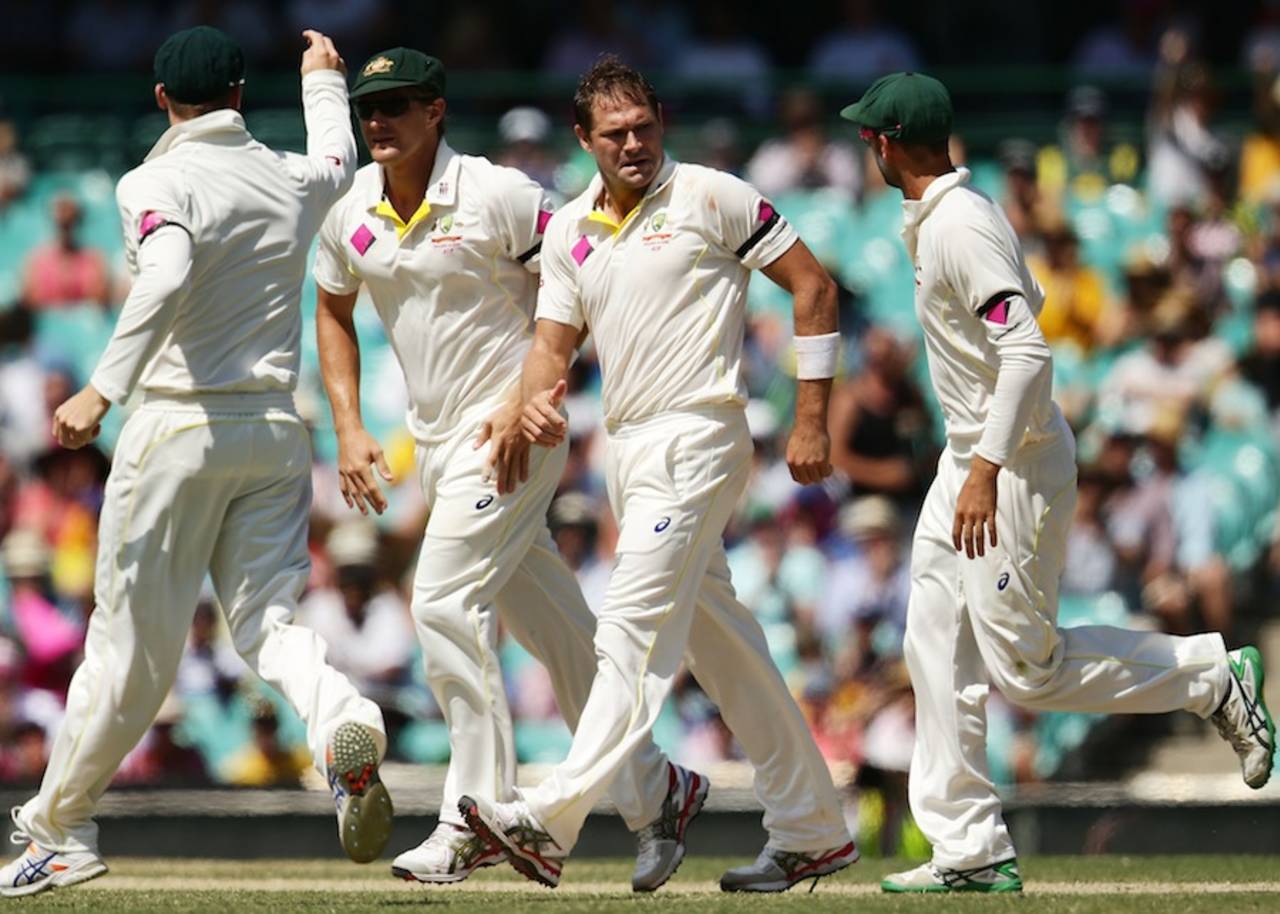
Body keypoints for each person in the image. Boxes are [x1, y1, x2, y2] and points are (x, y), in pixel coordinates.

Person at [840, 71, 1273, 894]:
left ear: (887, 144)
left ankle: (1212, 676)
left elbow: (1029, 351)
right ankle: (967, 847)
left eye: (869, 136)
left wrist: (986, 470)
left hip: (1007, 465)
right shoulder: (950, 215)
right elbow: (1024, 303)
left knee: (1026, 670)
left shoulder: (959, 226)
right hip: (968, 458)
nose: (865, 147)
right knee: (932, 638)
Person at [0, 27, 392, 898]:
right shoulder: (290, 178)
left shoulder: (155, 179)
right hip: (274, 429)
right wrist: (324, 80)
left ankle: (57, 830)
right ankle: (342, 727)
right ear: (242, 96)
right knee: (269, 626)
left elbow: (167, 269)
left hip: (178, 427)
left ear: (160, 100)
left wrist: (103, 388)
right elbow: (337, 158)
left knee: (127, 649)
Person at [464, 55, 857, 894]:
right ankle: (813, 827)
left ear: (661, 120)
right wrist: (530, 403)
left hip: (702, 431)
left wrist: (814, 416)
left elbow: (814, 287)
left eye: (644, 126)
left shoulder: (712, 195)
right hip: (629, 449)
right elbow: (552, 347)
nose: (634, 144)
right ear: (584, 140)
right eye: (615, 134)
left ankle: (551, 818)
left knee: (631, 629)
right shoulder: (569, 229)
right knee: (723, 645)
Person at [312, 48, 675, 889]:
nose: (378, 121)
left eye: (398, 105)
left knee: (439, 600)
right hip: (438, 446)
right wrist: (349, 426)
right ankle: (656, 792)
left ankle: (470, 816)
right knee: (559, 635)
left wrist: (535, 395)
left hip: (512, 435)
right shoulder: (353, 208)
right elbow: (332, 307)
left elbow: (582, 266)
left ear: (436, 111)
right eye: (368, 107)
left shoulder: (497, 193)